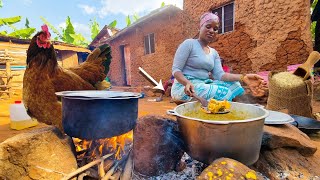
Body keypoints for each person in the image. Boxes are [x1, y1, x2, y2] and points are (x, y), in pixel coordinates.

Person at [171, 12, 267, 102]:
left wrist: (244, 77)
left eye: (215, 29)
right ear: (200, 27)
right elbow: (176, 70)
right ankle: (222, 113)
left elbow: (220, 75)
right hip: (185, 87)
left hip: (204, 84)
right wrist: (186, 83)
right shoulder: (189, 44)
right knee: (222, 92)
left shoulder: (214, 53)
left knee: (235, 85)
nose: (212, 31)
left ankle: (242, 108)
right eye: (208, 27)